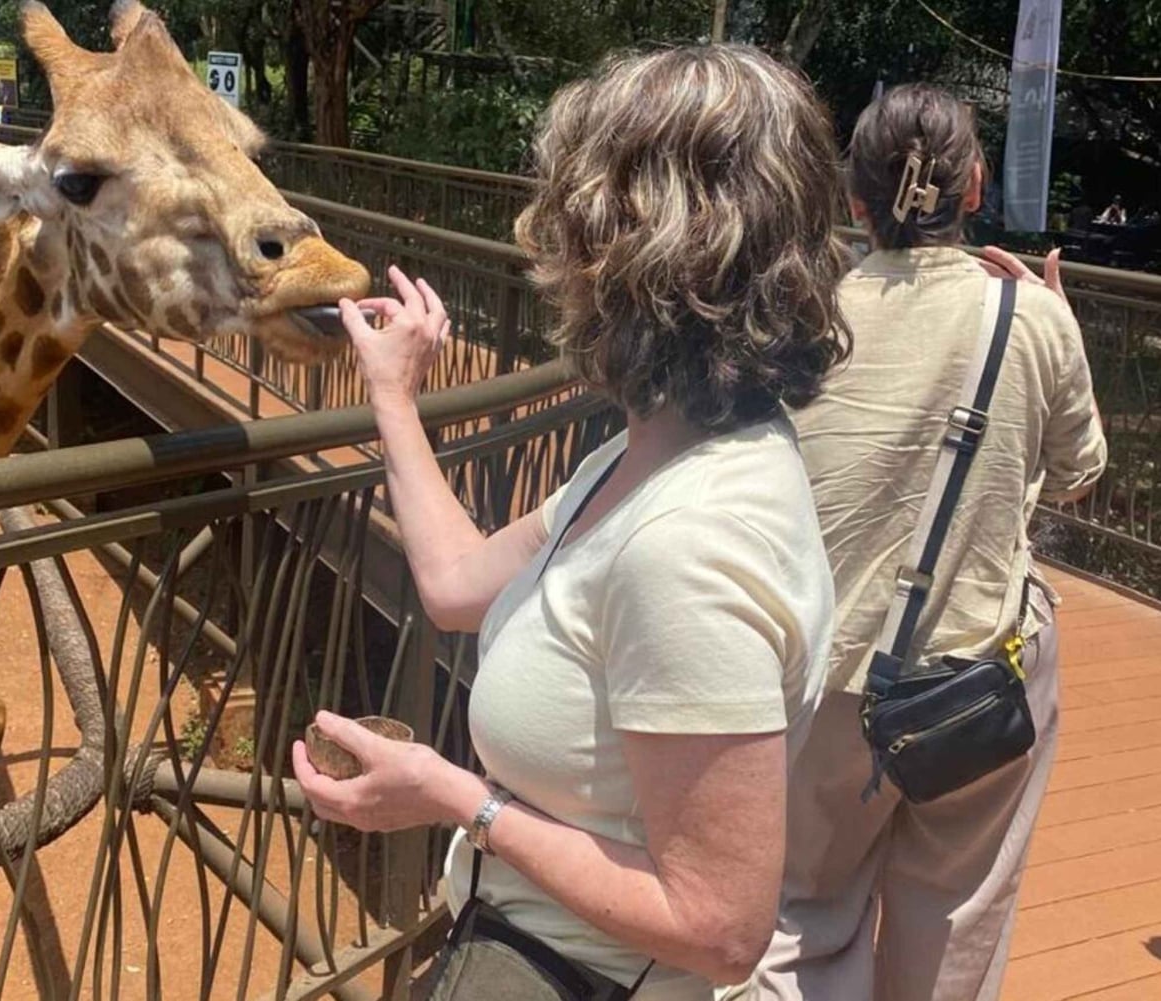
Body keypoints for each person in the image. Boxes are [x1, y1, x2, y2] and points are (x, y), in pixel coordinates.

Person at [291, 45, 853, 1001]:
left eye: (566, 226)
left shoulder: (687, 543)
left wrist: (454, 797)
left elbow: (720, 929)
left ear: (620, 256)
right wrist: (394, 395)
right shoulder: (654, 457)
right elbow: (456, 581)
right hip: (519, 949)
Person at [741, 83, 1107, 1001]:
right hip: (979, 678)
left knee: (793, 914)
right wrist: (1056, 322)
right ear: (976, 186)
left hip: (823, 673)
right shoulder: (1031, 319)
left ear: (854, 200)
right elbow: (1079, 471)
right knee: (953, 926)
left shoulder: (801, 317)